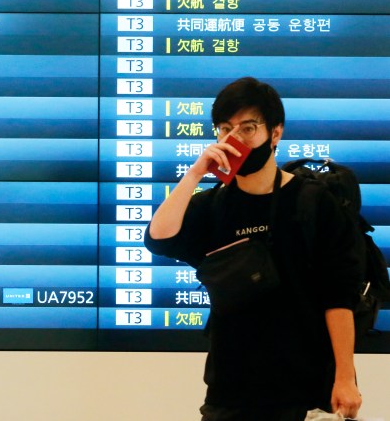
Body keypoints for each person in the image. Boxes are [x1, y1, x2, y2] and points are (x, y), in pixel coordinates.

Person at [144, 77, 365, 421]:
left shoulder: (313, 202)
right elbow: (158, 239)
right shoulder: (214, 206)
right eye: (225, 128)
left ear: (275, 133)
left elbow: (338, 295)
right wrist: (196, 172)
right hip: (231, 391)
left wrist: (345, 377)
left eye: (248, 127)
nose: (235, 139)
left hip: (307, 391)